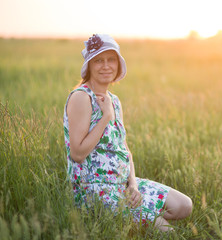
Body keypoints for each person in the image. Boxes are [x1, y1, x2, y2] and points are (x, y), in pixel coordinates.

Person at [63, 34, 192, 231]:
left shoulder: (114, 100)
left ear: (118, 64)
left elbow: (124, 149)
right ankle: (131, 222)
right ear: (89, 65)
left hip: (122, 184)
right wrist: (106, 116)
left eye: (111, 59)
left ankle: (135, 220)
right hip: (95, 189)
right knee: (167, 232)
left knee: (184, 206)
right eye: (98, 60)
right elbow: (77, 154)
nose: (106, 66)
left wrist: (132, 184)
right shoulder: (81, 97)